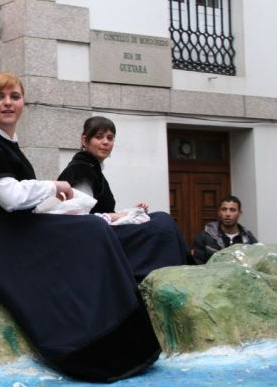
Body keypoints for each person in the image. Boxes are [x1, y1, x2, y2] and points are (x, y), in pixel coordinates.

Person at [0, 73, 166, 383]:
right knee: (92, 233)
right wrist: (54, 185)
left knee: (89, 229)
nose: (8, 103)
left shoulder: (2, 143)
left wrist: (61, 207)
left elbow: (20, 201)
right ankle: (85, 343)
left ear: (23, 102)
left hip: (4, 231)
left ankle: (118, 335)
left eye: (14, 96)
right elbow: (12, 198)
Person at [58, 116, 188, 280]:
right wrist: (121, 216)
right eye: (99, 137)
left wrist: (131, 212)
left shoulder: (92, 168)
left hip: (104, 233)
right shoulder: (80, 169)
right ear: (85, 140)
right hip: (94, 240)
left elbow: (101, 211)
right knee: (162, 225)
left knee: (160, 219)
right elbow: (79, 220)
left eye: (110, 138)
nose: (106, 142)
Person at [192, 195, 258, 264]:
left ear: (239, 214)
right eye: (224, 209)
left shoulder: (249, 239)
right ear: (219, 212)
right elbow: (197, 265)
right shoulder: (205, 237)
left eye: (232, 210)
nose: (228, 214)